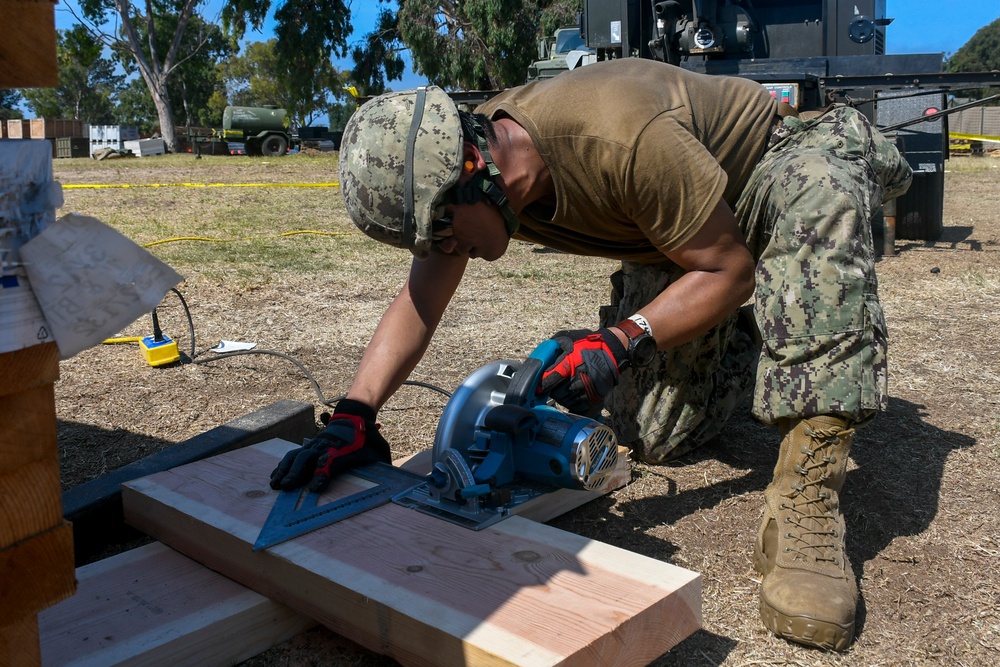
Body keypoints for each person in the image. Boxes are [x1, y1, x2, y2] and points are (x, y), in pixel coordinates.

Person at [269, 58, 912, 651]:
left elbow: (730, 270)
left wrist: (622, 340)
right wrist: (356, 414)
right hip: (681, 226)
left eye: (441, 232)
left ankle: (808, 498)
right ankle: (758, 342)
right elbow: (419, 301)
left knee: (816, 202)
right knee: (654, 436)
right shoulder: (471, 179)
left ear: (473, 170)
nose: (442, 251)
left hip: (777, 160)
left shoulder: (620, 139)